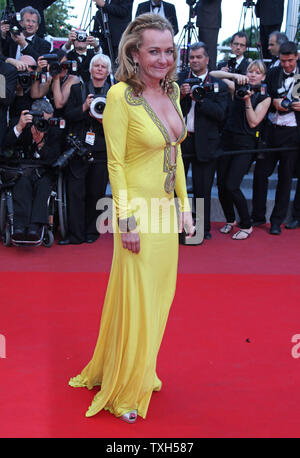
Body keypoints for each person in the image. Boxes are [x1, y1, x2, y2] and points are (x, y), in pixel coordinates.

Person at [68, 13, 193, 423]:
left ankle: (142, 369)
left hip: (163, 211)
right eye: (154, 51)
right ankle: (124, 389)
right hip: (136, 210)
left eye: (169, 51)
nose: (163, 59)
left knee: (159, 299)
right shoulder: (122, 95)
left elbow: (173, 152)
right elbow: (116, 163)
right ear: (134, 53)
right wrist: (124, 220)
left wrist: (186, 208)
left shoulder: (173, 90)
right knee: (137, 301)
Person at [210, 60, 271, 239]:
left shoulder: (265, 96)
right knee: (221, 185)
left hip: (246, 145)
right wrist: (233, 75)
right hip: (227, 141)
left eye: (257, 72)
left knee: (232, 185)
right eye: (250, 71)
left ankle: (246, 223)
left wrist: (247, 101)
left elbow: (253, 121)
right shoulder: (236, 86)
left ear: (263, 77)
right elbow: (213, 75)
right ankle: (230, 220)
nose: (252, 74)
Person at [178, 41, 229, 240]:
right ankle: (178, 226)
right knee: (177, 188)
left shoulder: (218, 85)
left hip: (206, 143)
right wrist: (181, 96)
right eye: (191, 57)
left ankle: (202, 228)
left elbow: (220, 115)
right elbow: (168, 108)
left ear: (207, 59)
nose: (195, 60)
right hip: (182, 140)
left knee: (202, 189)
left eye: (199, 57)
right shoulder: (179, 80)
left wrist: (199, 99)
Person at [58, 54, 111, 245]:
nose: (99, 69)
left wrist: (103, 119)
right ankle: (75, 234)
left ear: (108, 71)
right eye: (96, 65)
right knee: (75, 192)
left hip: (102, 147)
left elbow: (122, 122)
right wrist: (84, 107)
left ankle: (91, 231)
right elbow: (68, 115)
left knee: (96, 192)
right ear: (89, 69)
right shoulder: (77, 89)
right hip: (79, 147)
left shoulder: (113, 92)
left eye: (103, 67)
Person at [251, 41, 300, 235]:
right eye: (282, 61)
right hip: (270, 131)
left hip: (293, 133)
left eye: (289, 61)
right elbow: (264, 95)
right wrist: (274, 102)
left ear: (296, 56)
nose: (286, 65)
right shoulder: (273, 72)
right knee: (260, 174)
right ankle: (258, 216)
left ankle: (276, 221)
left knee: (286, 178)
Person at [2, 98, 64, 240]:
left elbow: (54, 159)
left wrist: (40, 143)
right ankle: (19, 225)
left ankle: (35, 226)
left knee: (43, 185)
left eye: (48, 120)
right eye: (41, 120)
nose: (43, 124)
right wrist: (19, 127)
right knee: (22, 183)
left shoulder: (53, 130)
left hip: (43, 170)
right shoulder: (20, 123)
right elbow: (5, 147)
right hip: (21, 169)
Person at [92, 0, 133, 65]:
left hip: (119, 40)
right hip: (105, 39)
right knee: (106, 66)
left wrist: (104, 5)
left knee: (119, 66)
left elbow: (123, 11)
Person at [194, 0, 222, 70]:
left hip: (210, 21)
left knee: (209, 53)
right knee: (203, 50)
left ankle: (210, 76)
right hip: (204, 20)